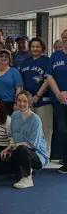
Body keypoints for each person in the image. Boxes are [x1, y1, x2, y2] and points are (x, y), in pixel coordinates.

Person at [0, 91, 49, 188]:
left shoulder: (35, 119)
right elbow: (12, 136)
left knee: (22, 149)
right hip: (20, 150)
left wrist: (15, 146)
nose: (21, 104)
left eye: (25, 101)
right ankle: (26, 168)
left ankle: (27, 178)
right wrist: (9, 148)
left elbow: (32, 145)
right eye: (19, 100)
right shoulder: (14, 115)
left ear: (30, 103)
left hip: (37, 156)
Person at [19, 37, 52, 155]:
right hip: (27, 103)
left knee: (44, 129)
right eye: (33, 46)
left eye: (37, 46)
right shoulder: (25, 62)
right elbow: (21, 82)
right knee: (30, 129)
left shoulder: (47, 61)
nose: (35, 49)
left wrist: (37, 95)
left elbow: (48, 80)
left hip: (43, 101)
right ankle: (31, 155)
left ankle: (45, 155)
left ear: (42, 48)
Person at [46, 29, 67, 173]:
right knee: (62, 130)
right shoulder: (55, 56)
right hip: (59, 100)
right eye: (64, 37)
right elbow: (49, 76)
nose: (66, 39)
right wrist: (59, 93)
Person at [0, 49, 23, 116]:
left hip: (8, 104)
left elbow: (19, 88)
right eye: (1, 56)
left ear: (9, 59)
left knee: (7, 125)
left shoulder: (14, 71)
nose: (3, 58)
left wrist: (16, 103)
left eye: (6, 56)